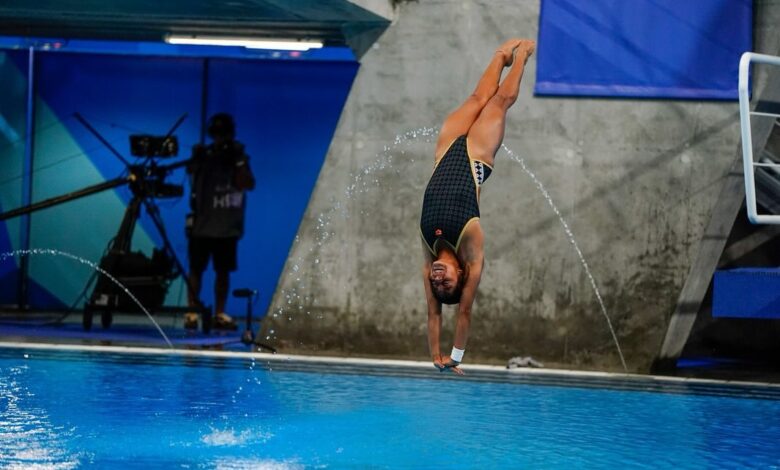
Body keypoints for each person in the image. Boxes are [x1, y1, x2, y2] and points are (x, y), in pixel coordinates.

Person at [420, 39, 535, 374]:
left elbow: (432, 313)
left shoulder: (428, 250)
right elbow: (464, 312)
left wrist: (435, 355)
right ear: (461, 275)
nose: (439, 281)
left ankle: (500, 55)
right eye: (448, 285)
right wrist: (455, 358)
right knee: (498, 102)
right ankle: (523, 57)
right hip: (476, 158)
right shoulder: (471, 249)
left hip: (445, 151)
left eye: (436, 285)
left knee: (476, 98)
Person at [184, 113, 256, 330]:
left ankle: (219, 312)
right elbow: (190, 174)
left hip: (227, 227)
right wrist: (196, 157)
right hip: (202, 225)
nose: (220, 139)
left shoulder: (238, 158)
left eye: (223, 134)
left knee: (222, 271)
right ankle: (192, 311)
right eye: (216, 134)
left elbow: (248, 183)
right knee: (196, 269)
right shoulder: (204, 157)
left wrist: (239, 159)